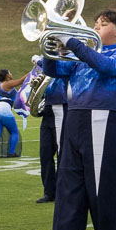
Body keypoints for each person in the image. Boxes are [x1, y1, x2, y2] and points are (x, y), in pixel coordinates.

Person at [38, 10, 116, 230]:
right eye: (96, 23)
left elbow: (103, 66)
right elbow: (52, 70)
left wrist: (72, 41)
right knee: (69, 191)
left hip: (105, 121)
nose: (96, 27)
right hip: (76, 120)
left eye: (103, 24)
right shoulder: (80, 57)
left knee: (102, 192)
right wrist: (52, 45)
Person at [35, 57, 69, 204]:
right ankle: (49, 191)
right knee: (45, 154)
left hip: (61, 106)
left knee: (62, 153)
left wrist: (42, 60)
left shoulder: (67, 63)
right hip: (48, 109)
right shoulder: (47, 67)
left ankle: (63, 191)